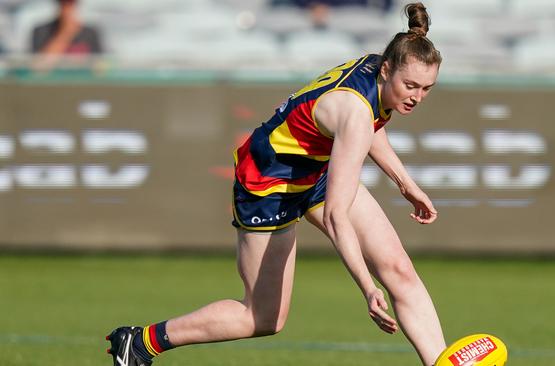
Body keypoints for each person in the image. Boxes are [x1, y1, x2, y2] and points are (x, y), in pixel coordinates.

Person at [106, 2, 446, 366]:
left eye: (427, 88)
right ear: (387, 69)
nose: (417, 96)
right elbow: (337, 215)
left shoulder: (378, 73)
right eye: (411, 85)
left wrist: (405, 183)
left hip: (314, 170)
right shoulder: (355, 111)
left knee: (398, 268)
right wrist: (367, 288)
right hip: (268, 183)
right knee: (264, 317)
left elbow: (369, 128)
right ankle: (140, 342)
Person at [30, 0, 102, 69]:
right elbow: (39, 66)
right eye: (64, 4)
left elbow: (100, 66)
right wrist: (65, 34)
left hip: (84, 80)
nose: (68, 9)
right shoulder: (42, 31)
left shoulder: (90, 33)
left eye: (71, 4)